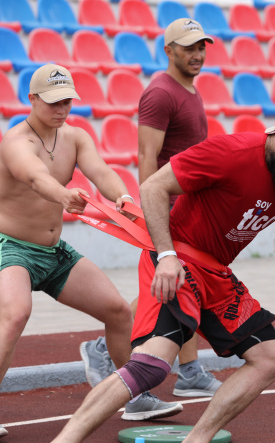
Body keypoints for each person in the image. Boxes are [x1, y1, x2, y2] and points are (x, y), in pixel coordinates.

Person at [23, 105, 275, 443]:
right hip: (177, 259)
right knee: (152, 365)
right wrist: (166, 255)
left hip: (215, 273)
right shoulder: (230, 152)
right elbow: (153, 187)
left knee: (270, 357)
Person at [0, 64, 142, 443]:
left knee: (118, 311)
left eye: (67, 102)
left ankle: (135, 395)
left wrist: (123, 197)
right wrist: (64, 195)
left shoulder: (75, 137)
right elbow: (35, 177)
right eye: (53, 102)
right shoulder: (16, 142)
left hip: (54, 251)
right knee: (15, 315)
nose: (62, 109)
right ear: (32, 99)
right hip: (13, 248)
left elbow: (101, 172)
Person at [79, 18, 222, 421]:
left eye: (202, 46)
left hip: (187, 207)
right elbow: (147, 157)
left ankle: (189, 371)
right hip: (167, 209)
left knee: (184, 283)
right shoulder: (160, 93)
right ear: (169, 50)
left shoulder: (188, 88)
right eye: (189, 47)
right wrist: (153, 211)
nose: (197, 54)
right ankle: (104, 349)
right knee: (170, 284)